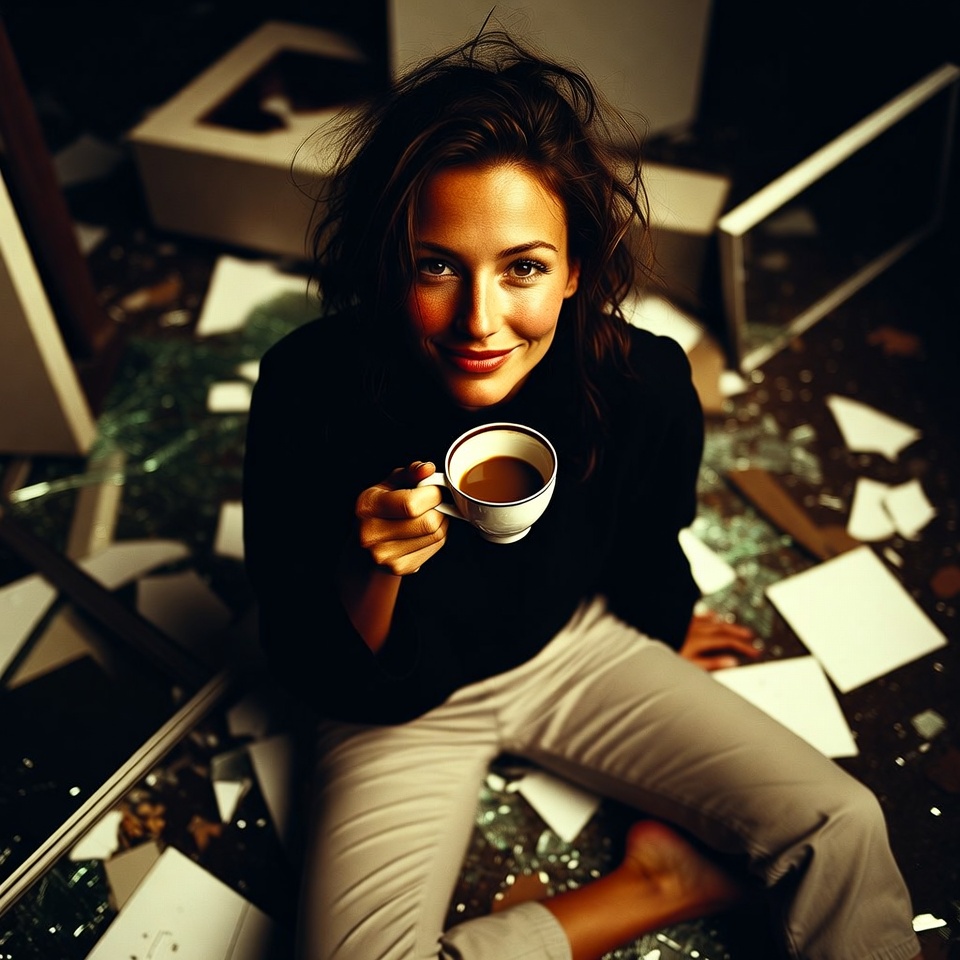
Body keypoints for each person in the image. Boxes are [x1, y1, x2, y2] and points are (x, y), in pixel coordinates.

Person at [242, 30, 922, 960]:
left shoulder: (639, 380)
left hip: (572, 650)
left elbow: (650, 534)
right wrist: (371, 568)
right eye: (435, 264)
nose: (480, 322)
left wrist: (665, 626)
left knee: (843, 822)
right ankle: (648, 889)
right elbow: (312, 664)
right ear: (386, 266)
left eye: (522, 266)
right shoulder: (307, 387)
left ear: (574, 270)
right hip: (394, 708)